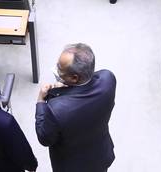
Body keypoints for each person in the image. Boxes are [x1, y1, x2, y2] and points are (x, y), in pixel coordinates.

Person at [35, 43, 116, 172]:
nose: (56, 70)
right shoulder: (108, 79)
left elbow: (45, 138)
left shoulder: (56, 109)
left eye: (60, 69)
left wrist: (41, 101)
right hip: (100, 156)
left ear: (74, 78)